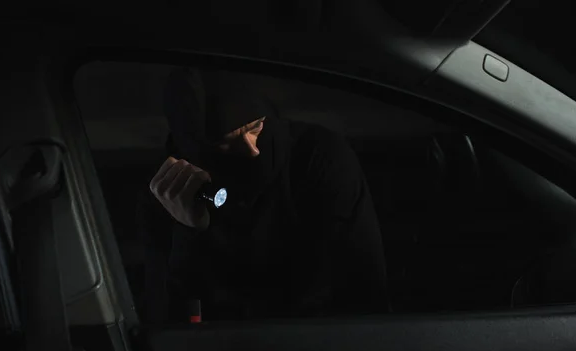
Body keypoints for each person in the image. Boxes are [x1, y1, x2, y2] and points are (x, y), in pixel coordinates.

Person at [138, 68, 388, 323]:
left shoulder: (318, 156)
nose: (253, 150)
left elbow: (357, 284)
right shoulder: (167, 191)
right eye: (226, 143)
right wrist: (188, 231)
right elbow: (169, 319)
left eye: (256, 127)